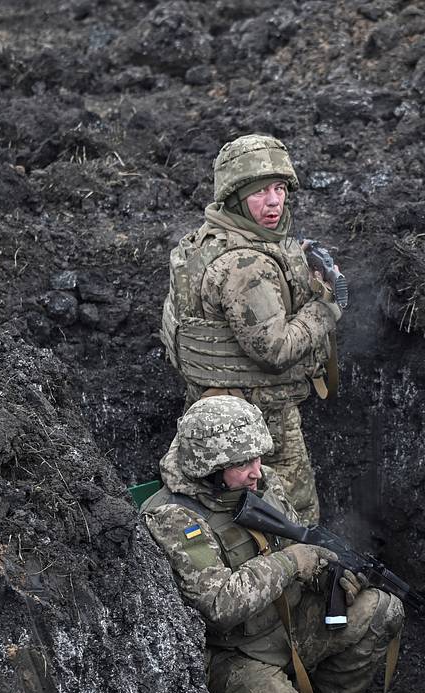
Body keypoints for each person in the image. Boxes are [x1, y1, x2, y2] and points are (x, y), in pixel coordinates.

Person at [139, 395, 405, 693]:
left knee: (382, 609)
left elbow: (301, 540)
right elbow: (217, 606)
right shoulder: (176, 519)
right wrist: (292, 563)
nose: (257, 471)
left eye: (258, 458)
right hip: (235, 652)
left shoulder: (260, 486)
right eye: (243, 463)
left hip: (286, 622)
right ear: (210, 467)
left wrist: (331, 573)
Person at [160, 133, 342, 525]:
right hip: (261, 420)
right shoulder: (246, 265)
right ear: (236, 197)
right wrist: (327, 309)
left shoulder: (204, 242)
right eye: (260, 191)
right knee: (296, 517)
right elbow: (275, 350)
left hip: (210, 410)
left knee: (225, 512)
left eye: (279, 188)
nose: (274, 201)